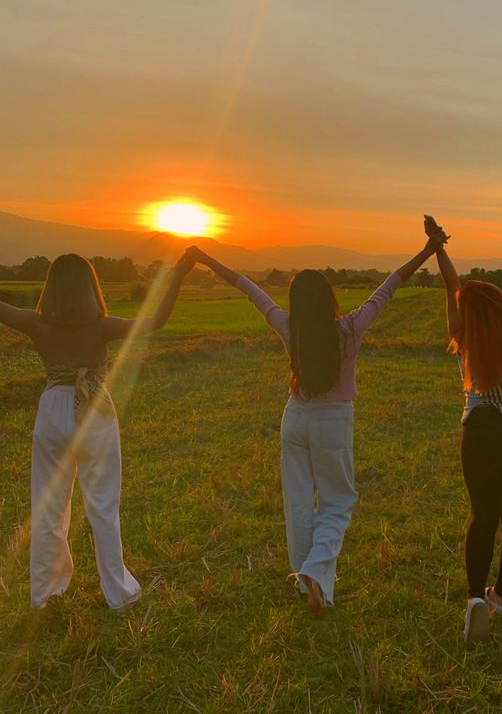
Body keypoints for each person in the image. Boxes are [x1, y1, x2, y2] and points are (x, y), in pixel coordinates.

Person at [186, 229, 448, 618]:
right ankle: (312, 573)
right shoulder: (349, 328)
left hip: (294, 418)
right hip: (332, 421)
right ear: (328, 298)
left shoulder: (289, 327)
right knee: (338, 502)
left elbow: (249, 288)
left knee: (298, 504)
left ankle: (311, 585)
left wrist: (206, 259)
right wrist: (428, 250)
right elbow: (391, 285)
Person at [0, 252, 193, 610]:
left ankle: (44, 594)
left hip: (53, 409)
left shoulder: (36, 324)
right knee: (103, 504)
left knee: (49, 506)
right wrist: (178, 276)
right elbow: (158, 320)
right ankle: (118, 592)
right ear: (91, 286)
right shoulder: (103, 327)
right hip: (95, 410)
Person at [435, 211, 502, 646]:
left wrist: (438, 247)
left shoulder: (463, 335)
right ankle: (500, 597)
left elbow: (451, 285)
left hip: (480, 427)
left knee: (483, 515)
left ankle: (474, 599)